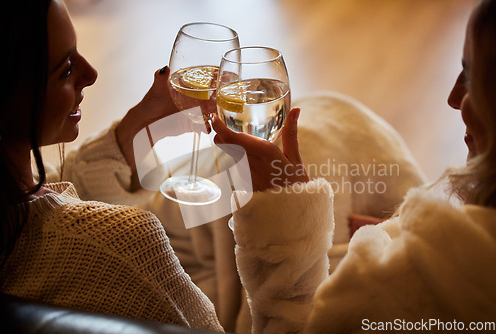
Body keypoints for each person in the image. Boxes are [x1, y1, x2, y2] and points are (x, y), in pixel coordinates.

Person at [211, 0, 496, 332]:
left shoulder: (428, 279)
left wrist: (286, 219)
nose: (452, 97)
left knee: (141, 234)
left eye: (473, 79)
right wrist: (392, 239)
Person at [0, 0, 223, 331]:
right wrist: (287, 204)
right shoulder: (127, 244)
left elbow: (52, 213)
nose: (91, 73)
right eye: (66, 69)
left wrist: (135, 129)